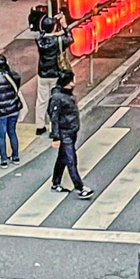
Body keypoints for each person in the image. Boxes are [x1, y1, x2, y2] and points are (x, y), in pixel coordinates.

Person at [48, 69, 93, 199]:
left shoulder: (64, 94)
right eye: (72, 80)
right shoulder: (58, 98)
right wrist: (56, 137)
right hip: (65, 133)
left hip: (70, 131)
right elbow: (54, 118)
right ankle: (79, 187)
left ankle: (56, 183)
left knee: (62, 158)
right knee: (70, 159)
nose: (74, 83)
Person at [35, 13, 73, 136]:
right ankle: (53, 127)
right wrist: (64, 26)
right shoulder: (58, 41)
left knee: (41, 100)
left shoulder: (39, 40)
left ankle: (40, 126)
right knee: (54, 101)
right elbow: (70, 38)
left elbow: (45, 33)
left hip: (42, 74)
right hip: (55, 73)